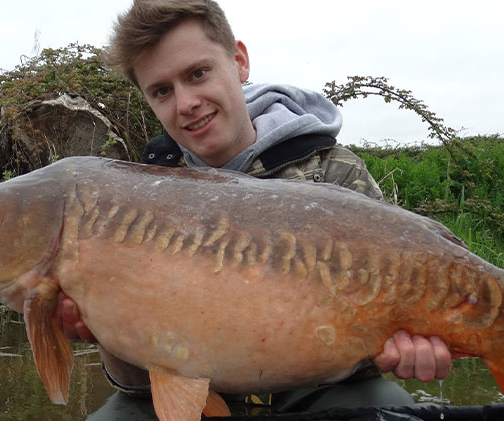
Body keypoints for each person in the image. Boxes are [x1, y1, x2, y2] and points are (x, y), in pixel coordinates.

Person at [57, 0, 453, 418]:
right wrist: (105, 334)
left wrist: (408, 346)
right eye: (162, 90)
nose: (187, 102)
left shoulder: (331, 171)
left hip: (317, 389)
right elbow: (139, 383)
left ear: (239, 61)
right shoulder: (134, 199)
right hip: (193, 390)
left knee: (388, 408)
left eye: (197, 73)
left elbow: (371, 347)